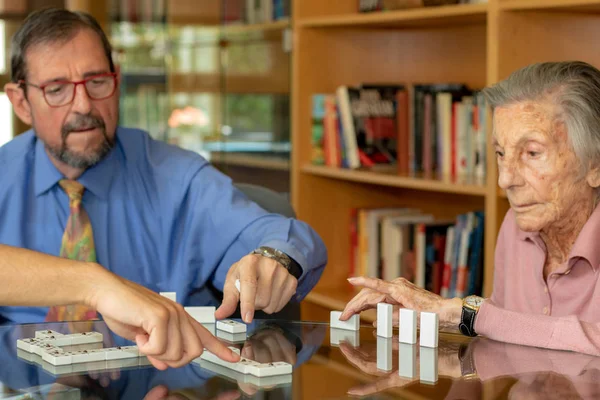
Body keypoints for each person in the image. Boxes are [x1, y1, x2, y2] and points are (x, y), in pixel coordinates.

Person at [0, 8, 327, 367]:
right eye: (57, 89)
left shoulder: (175, 176)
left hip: (165, 379)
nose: (83, 106)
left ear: (118, 81)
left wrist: (274, 257)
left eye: (97, 82)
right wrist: (94, 284)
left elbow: (276, 233)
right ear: (20, 103)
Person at [341, 60, 600, 356]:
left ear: (595, 165)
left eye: (532, 152)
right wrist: (442, 325)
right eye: (501, 153)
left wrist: (470, 315)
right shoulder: (515, 226)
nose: (505, 179)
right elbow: (500, 341)